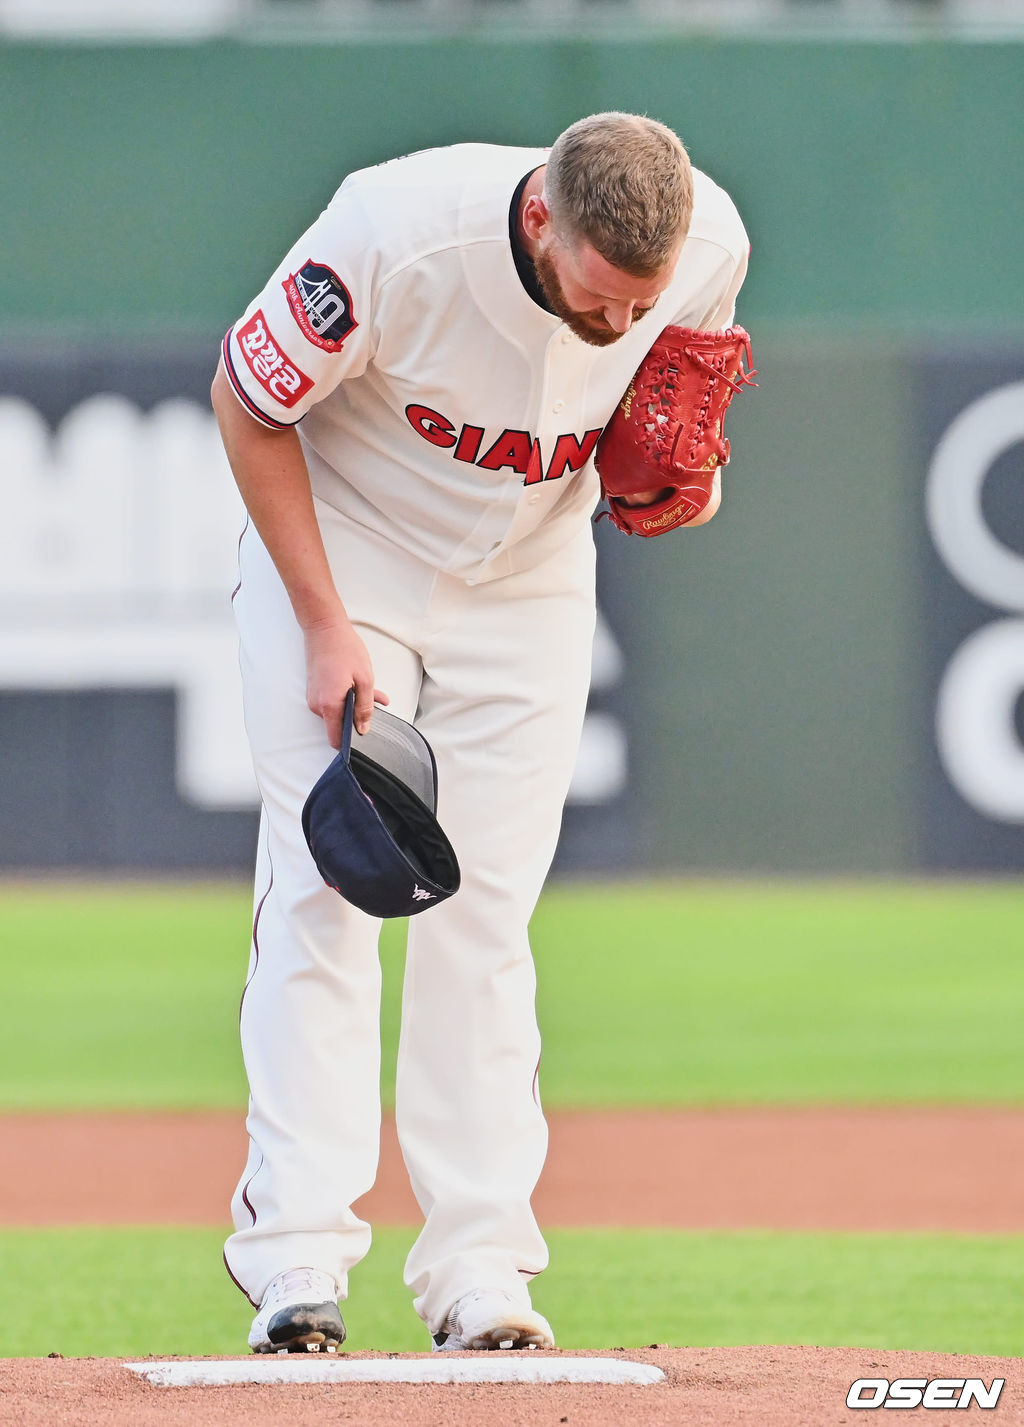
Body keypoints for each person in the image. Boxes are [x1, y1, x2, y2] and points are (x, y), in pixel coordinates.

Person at [210, 111, 749, 1354]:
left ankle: (481, 1269)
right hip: (351, 552)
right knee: (325, 883)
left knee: (489, 912)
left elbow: (669, 435)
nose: (621, 326)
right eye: (601, 298)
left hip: (530, 574)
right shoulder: (392, 237)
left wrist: (688, 481)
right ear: (539, 219)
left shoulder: (709, 241)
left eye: (642, 301)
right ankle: (296, 1254)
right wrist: (324, 625)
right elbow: (247, 406)